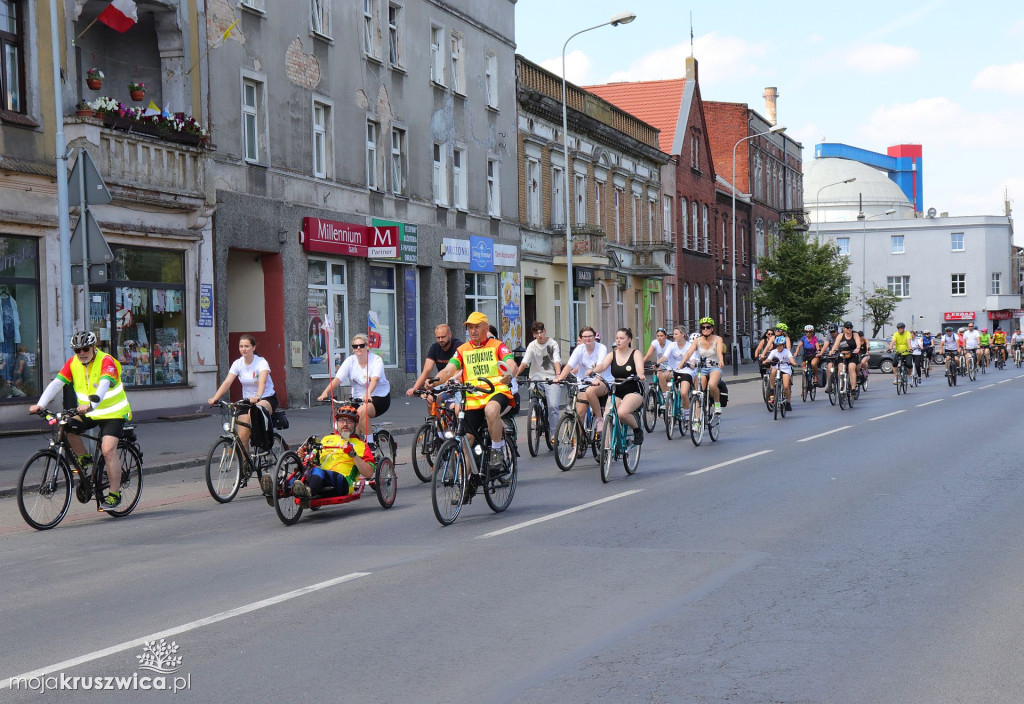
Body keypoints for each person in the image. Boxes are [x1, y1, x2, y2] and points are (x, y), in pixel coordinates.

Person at [29, 330, 132, 510]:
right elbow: (57, 383)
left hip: (113, 413)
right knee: (66, 426)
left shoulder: (106, 361)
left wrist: (92, 404)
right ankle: (86, 460)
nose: (81, 353)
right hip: (90, 412)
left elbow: (103, 385)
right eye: (77, 350)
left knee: (108, 451)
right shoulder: (73, 363)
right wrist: (40, 404)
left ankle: (115, 495)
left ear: (93, 347)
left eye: (85, 349)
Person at [429, 312, 517, 478]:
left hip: (496, 392)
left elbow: (511, 363)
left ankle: (496, 450)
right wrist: (434, 381)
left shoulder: (497, 345)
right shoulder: (462, 350)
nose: (473, 330)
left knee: (491, 411)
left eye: (477, 326)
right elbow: (449, 370)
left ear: (486, 327)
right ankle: (463, 482)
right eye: (470, 327)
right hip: (473, 398)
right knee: (466, 440)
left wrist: (510, 374)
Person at [268, 402, 375, 507]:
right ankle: (277, 490)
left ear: (356, 424)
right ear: (337, 423)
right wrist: (304, 455)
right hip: (319, 479)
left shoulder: (361, 445)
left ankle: (308, 492)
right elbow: (315, 459)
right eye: (341, 421)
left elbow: (369, 473)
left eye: (349, 421)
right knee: (301, 473)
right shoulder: (327, 439)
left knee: (316, 471)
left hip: (344, 482)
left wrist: (353, 454)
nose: (345, 424)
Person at [208, 334, 278, 455]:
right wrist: (215, 398)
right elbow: (227, 381)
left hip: (266, 398)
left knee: (256, 410)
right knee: (241, 436)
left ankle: (263, 443)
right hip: (247, 401)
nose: (243, 349)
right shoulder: (238, 363)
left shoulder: (261, 362)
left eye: (247, 346)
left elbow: (263, 381)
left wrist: (258, 395)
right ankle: (244, 469)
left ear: (253, 348)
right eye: (241, 346)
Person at [318, 333, 391, 446]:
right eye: (355, 346)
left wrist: (368, 393)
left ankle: (370, 443)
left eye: (361, 345)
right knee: (345, 420)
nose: (358, 348)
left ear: (367, 346)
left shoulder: (376, 360)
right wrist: (325, 392)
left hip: (378, 397)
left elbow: (375, 380)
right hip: (357, 398)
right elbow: (338, 379)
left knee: (361, 412)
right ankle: (348, 446)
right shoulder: (350, 361)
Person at [591, 327, 646, 444]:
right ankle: (605, 450)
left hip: (633, 389)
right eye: (617, 338)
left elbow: (640, 368)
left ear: (629, 340)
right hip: (617, 389)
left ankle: (637, 430)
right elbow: (602, 366)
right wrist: (594, 370)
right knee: (607, 415)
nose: (618, 341)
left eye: (622, 338)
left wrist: (640, 374)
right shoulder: (612, 354)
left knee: (622, 413)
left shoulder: (635, 353)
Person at [555, 326, 612, 431]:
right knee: (580, 413)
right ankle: (578, 445)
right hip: (584, 383)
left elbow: (600, 365)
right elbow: (569, 365)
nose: (588, 339)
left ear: (594, 337)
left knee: (590, 391)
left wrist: (597, 379)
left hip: (603, 381)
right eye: (585, 337)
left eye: (590, 336)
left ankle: (599, 419)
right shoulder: (579, 349)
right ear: (581, 338)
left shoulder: (601, 348)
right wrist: (559, 378)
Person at [519, 321, 562, 437]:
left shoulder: (553, 344)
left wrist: (558, 375)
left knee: (553, 406)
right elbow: (524, 362)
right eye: (537, 333)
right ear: (533, 335)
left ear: (545, 331)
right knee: (533, 390)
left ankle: (554, 434)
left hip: (552, 377)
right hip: (536, 377)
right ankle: (535, 410)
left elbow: (557, 360)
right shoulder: (532, 345)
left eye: (541, 332)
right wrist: (514, 376)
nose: (540, 335)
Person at [407, 324, 462, 397]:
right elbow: (427, 370)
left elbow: (461, 370)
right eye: (438, 337)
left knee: (455, 405)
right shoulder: (434, 348)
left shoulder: (459, 346)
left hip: (456, 382)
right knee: (430, 398)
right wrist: (415, 388)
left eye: (443, 337)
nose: (440, 340)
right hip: (441, 381)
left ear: (450, 334)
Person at [695, 317, 726, 416]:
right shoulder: (698, 340)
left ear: (712, 329)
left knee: (712, 385)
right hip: (702, 368)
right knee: (699, 391)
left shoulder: (718, 339)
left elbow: (719, 352)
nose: (705, 329)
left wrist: (721, 361)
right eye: (703, 327)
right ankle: (697, 418)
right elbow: (689, 353)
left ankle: (717, 404)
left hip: (714, 367)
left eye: (708, 327)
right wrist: (681, 364)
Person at [764, 335, 796, 411]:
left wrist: (793, 363)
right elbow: (768, 359)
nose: (779, 347)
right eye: (777, 345)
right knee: (773, 370)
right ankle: (772, 388)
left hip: (786, 369)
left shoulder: (787, 351)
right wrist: (765, 362)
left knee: (786, 386)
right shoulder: (773, 352)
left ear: (783, 345)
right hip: (777, 367)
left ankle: (788, 402)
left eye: (781, 345)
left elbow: (791, 359)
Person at [829, 321, 862, 391]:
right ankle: (841, 384)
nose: (849, 329)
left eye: (850, 327)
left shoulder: (855, 335)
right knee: (840, 369)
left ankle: (853, 388)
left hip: (852, 354)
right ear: (844, 328)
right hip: (842, 355)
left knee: (851, 367)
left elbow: (858, 344)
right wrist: (832, 351)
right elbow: (836, 345)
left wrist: (857, 349)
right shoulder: (840, 335)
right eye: (847, 327)